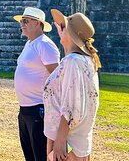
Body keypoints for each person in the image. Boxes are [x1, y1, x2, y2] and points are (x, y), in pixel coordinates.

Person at [44, 9, 101, 161]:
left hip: (65, 139)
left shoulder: (72, 62)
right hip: (78, 140)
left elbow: (70, 107)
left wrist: (60, 142)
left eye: (62, 27)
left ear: (69, 32)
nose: (59, 30)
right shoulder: (86, 61)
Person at [13, 6, 60, 161]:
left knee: (40, 154)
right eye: (21, 20)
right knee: (29, 154)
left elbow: (57, 77)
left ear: (37, 23)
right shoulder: (30, 43)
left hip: (38, 108)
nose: (22, 23)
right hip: (26, 109)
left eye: (25, 20)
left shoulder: (45, 44)